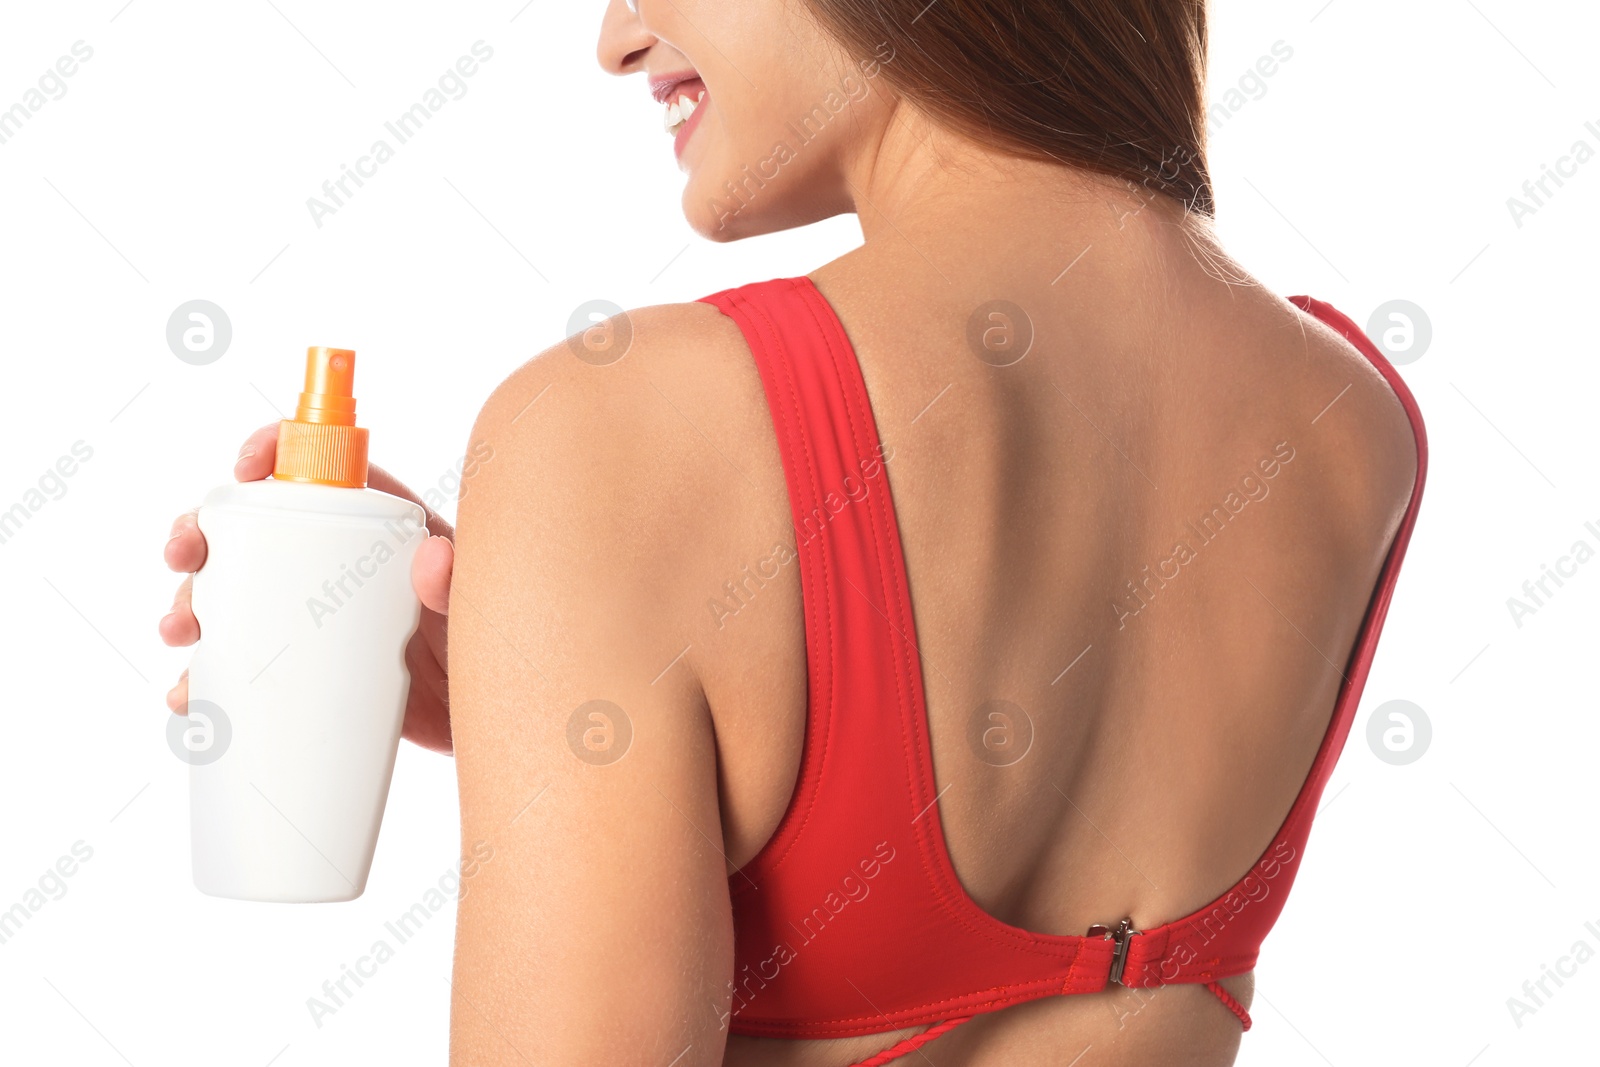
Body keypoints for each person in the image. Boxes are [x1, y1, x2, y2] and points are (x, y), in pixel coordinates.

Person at [160, 1, 1426, 1063]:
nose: (614, 38)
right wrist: (539, 659)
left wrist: (586, 551)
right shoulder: (1354, 414)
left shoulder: (617, 428)